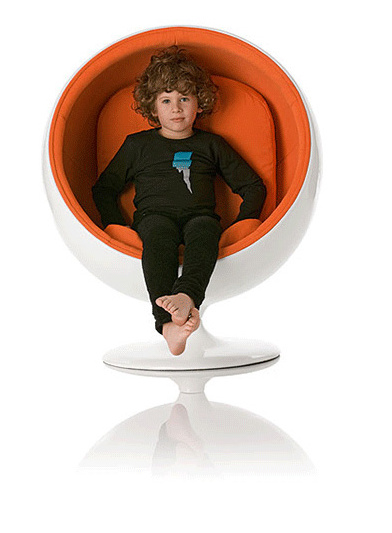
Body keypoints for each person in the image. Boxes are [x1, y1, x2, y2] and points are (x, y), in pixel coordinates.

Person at [92, 46, 266, 355]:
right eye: (166, 100)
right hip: (154, 218)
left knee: (205, 231)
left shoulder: (212, 145)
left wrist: (243, 223)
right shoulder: (137, 146)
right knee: (158, 236)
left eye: (185, 98)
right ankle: (167, 324)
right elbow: (104, 188)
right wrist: (116, 224)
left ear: (200, 103)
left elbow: (253, 186)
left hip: (200, 217)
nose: (176, 108)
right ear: (153, 106)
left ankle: (186, 297)